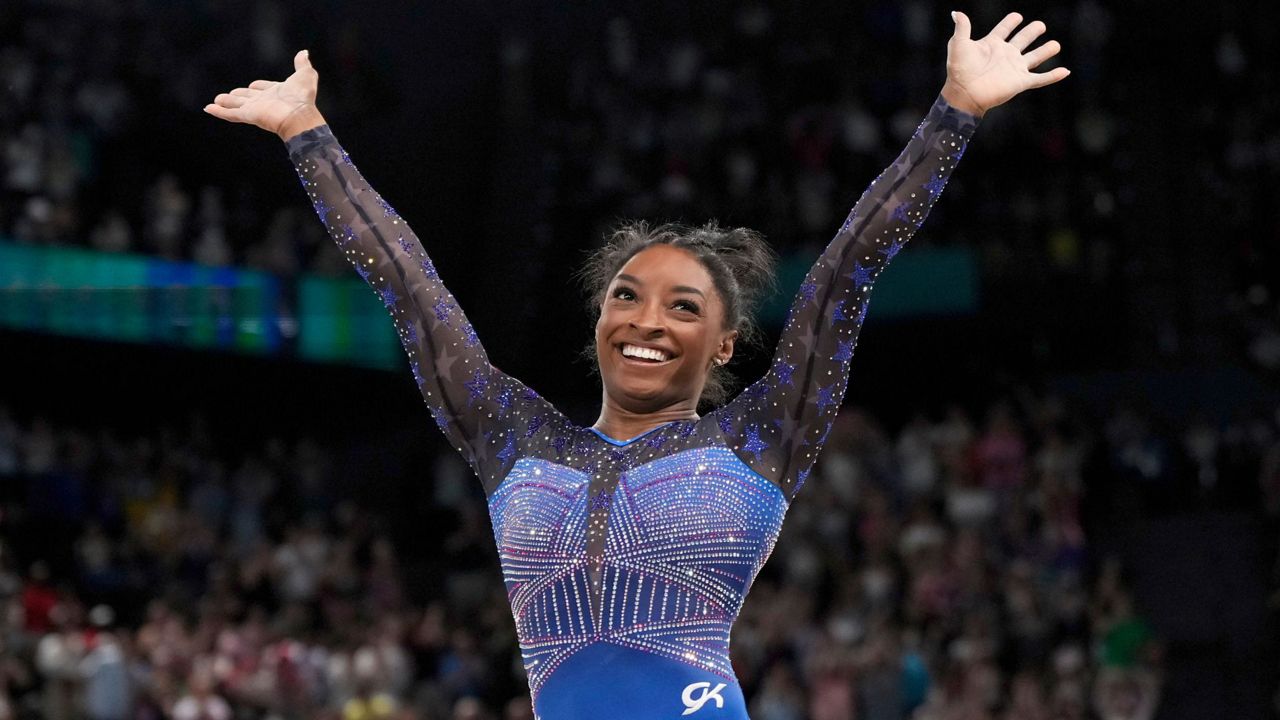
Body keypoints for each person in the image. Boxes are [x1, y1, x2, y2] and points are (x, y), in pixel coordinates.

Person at [204, 11, 1068, 719]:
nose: (647, 321)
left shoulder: (762, 437)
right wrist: (307, 134)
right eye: (627, 296)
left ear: (724, 345)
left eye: (684, 307)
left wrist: (954, 112)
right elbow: (410, 288)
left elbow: (848, 269)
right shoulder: (514, 438)